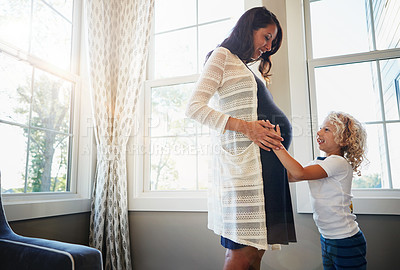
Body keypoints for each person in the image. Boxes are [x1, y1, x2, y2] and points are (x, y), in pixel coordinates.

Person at [185, 6, 296, 270]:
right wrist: (247, 128)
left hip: (267, 168)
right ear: (249, 29)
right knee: (240, 253)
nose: (269, 46)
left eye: (273, 40)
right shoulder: (222, 56)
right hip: (245, 170)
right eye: (266, 37)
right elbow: (194, 108)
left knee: (257, 253)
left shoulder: (250, 69)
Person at [272, 111, 368, 270]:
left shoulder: (338, 163)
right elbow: (291, 176)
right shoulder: (319, 162)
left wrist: (277, 145)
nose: (319, 132)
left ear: (343, 139)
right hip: (327, 238)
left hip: (345, 239)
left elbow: (299, 173)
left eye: (326, 130)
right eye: (320, 128)